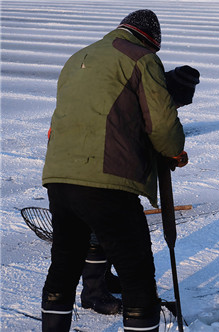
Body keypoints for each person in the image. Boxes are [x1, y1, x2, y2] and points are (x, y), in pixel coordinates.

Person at [41, 9, 189, 332]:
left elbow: (60, 123)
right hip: (107, 182)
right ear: (151, 42)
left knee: (63, 268)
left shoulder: (76, 59)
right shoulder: (142, 59)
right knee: (137, 274)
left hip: (59, 178)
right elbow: (163, 128)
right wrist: (175, 151)